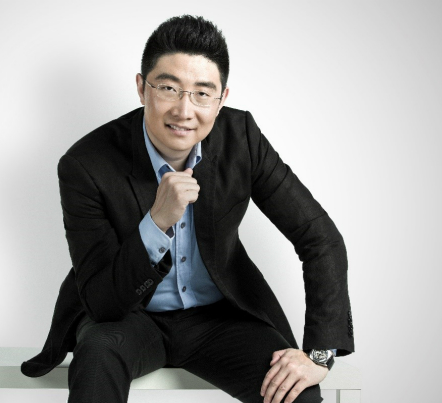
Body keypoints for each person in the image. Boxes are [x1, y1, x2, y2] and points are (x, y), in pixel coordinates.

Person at [21, 15, 354, 403]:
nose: (184, 110)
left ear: (221, 99)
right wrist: (157, 222)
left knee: (296, 392)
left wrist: (319, 354)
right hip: (128, 317)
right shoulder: (86, 164)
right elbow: (103, 301)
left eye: (202, 93)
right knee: (97, 358)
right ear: (141, 88)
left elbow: (319, 237)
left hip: (220, 319)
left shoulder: (241, 138)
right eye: (168, 88)